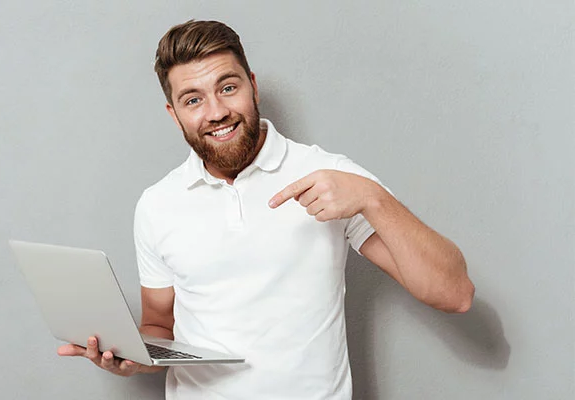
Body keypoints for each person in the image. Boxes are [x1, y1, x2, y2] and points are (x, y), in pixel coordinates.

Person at [56, 20, 475, 399]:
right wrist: (131, 358)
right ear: (174, 115)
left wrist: (373, 197)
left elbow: (454, 294)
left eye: (228, 87)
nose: (216, 112)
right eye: (193, 99)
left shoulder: (327, 175)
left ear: (252, 86)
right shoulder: (157, 204)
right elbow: (159, 326)